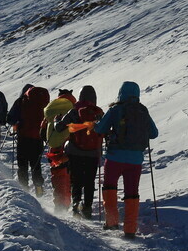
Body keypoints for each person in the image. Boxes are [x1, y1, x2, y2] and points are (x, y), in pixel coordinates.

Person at [95, 81, 158, 239]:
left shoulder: (115, 109)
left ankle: (112, 222)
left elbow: (100, 129)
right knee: (132, 193)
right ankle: (130, 229)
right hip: (135, 160)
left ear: (121, 93)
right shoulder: (143, 110)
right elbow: (154, 133)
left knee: (110, 187)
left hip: (115, 157)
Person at [54, 85, 103, 219]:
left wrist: (56, 121)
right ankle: (87, 207)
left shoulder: (74, 111)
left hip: (75, 151)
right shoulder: (98, 112)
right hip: (93, 153)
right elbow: (103, 131)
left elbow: (59, 128)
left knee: (76, 179)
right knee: (89, 181)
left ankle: (76, 205)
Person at [7, 85, 49, 195]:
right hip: (38, 138)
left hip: (23, 138)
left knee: (23, 165)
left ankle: (24, 190)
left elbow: (10, 118)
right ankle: (39, 188)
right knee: (36, 165)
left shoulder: (21, 101)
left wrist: (17, 124)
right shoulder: (43, 101)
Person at [43, 89, 77, 211]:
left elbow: (43, 131)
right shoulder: (74, 108)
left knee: (58, 176)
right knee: (71, 177)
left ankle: (60, 205)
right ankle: (72, 204)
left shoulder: (51, 109)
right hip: (71, 146)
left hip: (54, 148)